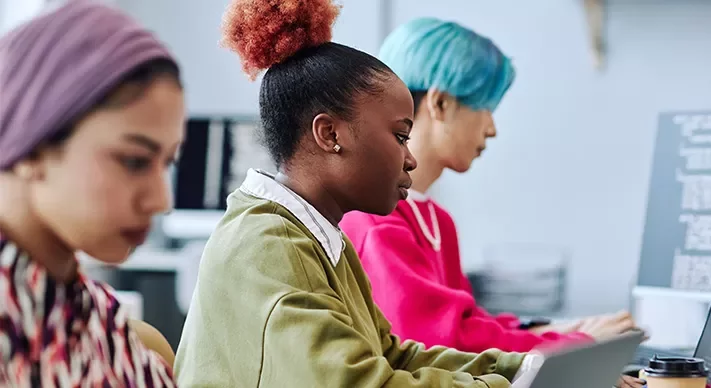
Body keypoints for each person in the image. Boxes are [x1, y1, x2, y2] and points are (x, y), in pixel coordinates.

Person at [173, 1, 542, 387]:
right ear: (329, 134)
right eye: (400, 136)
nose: (411, 159)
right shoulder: (270, 245)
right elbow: (361, 383)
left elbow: (391, 354)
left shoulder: (322, 240)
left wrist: (521, 369)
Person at [338, 18, 645, 387]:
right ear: (440, 102)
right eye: (485, 106)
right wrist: (575, 344)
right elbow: (442, 342)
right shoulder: (375, 221)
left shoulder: (437, 220)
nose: (492, 128)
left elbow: (468, 323)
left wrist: (563, 332)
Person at [0, 0, 185, 386]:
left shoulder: (103, 324)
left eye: (166, 163)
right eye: (135, 161)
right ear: (32, 148)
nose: (161, 201)